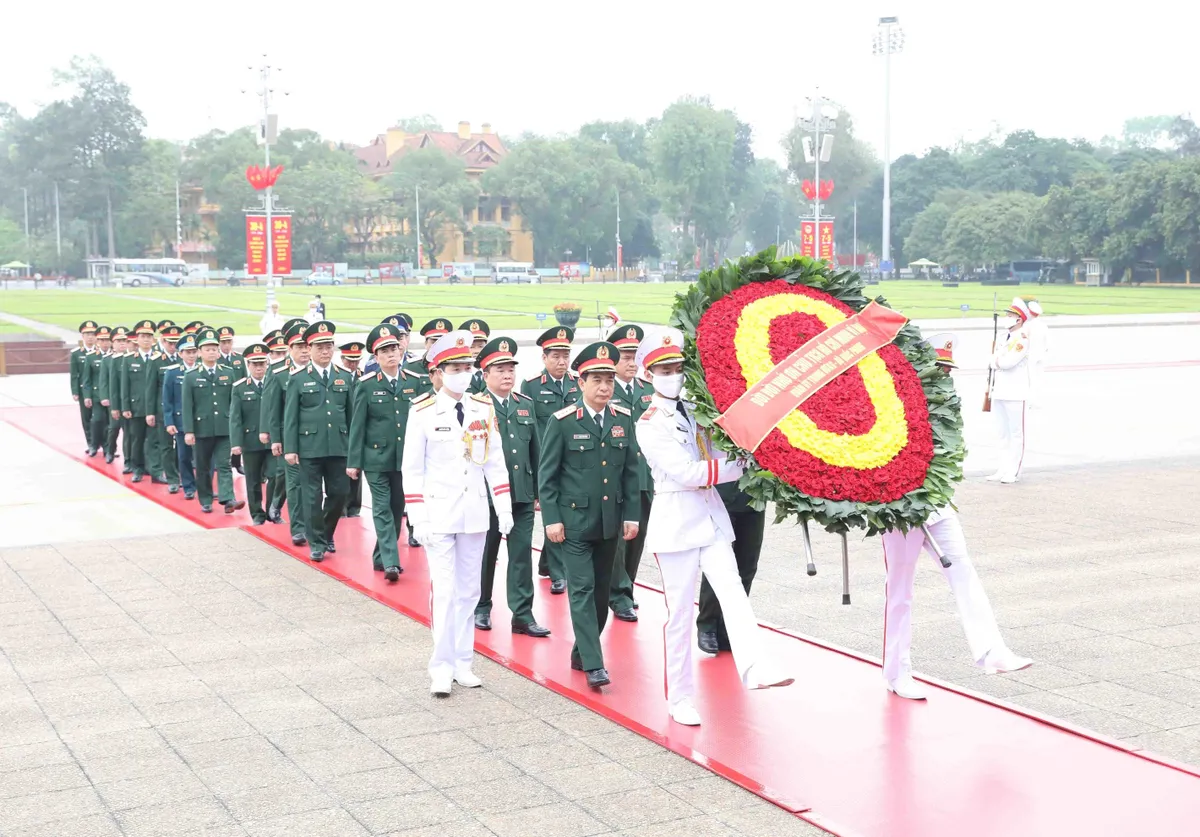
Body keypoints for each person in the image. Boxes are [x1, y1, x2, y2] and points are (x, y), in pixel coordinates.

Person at [635, 328, 792, 725]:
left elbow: (720, 448)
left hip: (709, 517)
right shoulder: (649, 422)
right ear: (648, 375)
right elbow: (687, 471)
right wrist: (739, 465)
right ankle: (680, 698)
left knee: (734, 591)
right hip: (677, 524)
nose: (674, 374)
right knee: (679, 616)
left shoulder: (696, 409)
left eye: (677, 367)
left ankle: (756, 667)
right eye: (664, 369)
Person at [880, 333, 1032, 700]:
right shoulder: (892, 403)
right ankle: (897, 671)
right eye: (939, 368)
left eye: (947, 369)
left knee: (963, 570)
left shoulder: (945, 405)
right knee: (899, 591)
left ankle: (991, 651)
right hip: (900, 511)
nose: (945, 375)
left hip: (937, 504)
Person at [402, 330, 513, 696]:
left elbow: (494, 461)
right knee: (446, 591)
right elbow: (412, 469)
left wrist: (504, 506)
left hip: (475, 513)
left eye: (467, 366)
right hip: (437, 513)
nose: (463, 373)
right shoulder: (422, 412)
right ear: (438, 371)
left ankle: (464, 661)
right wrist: (417, 516)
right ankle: (441, 666)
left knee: (470, 591)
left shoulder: (482, 409)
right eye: (455, 367)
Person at [538, 341, 640, 689]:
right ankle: (596, 664)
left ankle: (583, 651)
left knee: (600, 595)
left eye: (609, 380)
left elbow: (630, 471)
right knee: (581, 589)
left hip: (610, 523)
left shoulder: (622, 420)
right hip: (573, 524)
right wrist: (551, 518)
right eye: (596, 380)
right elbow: (547, 475)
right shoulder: (563, 422)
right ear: (580, 383)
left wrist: (632, 515)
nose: (604, 387)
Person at [473, 336, 551, 638]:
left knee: (521, 555)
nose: (507, 375)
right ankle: (481, 605)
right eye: (500, 369)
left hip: (520, 493)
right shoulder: (475, 407)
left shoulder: (524, 405)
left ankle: (522, 614)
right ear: (485, 374)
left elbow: (536, 452)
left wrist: (538, 492)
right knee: (486, 552)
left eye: (510, 369)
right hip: (487, 496)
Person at [347, 323, 430, 581]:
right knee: (381, 508)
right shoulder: (366, 384)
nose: (391, 354)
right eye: (385, 351)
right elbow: (357, 425)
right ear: (376, 357)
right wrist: (353, 462)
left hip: (405, 459)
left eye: (394, 348)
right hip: (376, 459)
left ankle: (380, 556)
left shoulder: (415, 382)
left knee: (396, 509)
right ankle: (392, 563)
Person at [283, 320, 353, 563]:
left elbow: (351, 415)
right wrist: (290, 448)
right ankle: (317, 543)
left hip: (339, 445)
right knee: (311, 497)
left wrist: (354, 449)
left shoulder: (344, 376)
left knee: (340, 493)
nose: (325, 351)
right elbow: (290, 416)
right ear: (310, 349)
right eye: (319, 347)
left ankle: (325, 532)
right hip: (309, 447)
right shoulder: (298, 378)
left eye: (329, 346)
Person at [521, 326, 580, 593]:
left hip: (576, 459)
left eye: (565, 355)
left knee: (568, 514)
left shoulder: (579, 381)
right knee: (553, 512)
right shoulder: (532, 385)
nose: (561, 361)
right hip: (547, 462)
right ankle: (558, 572)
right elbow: (530, 428)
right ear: (544, 358)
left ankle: (548, 562)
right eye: (555, 356)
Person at [607, 324, 655, 622]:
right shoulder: (601, 390)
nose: (631, 363)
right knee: (617, 540)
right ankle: (618, 592)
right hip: (613, 478)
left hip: (644, 478)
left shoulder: (649, 391)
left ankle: (628, 586)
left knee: (638, 536)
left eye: (634, 356)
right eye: (625, 356)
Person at [696, 482, 766, 656]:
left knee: (747, 565)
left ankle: (729, 629)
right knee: (718, 565)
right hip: (723, 498)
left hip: (755, 497)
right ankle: (708, 625)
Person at [181, 328, 246, 514]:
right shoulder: (191, 376)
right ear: (199, 352)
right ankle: (206, 499)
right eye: (207, 349)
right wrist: (189, 431)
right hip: (202, 428)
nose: (211, 352)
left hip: (224, 427)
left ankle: (228, 499)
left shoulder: (228, 372)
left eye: (214, 348)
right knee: (202, 466)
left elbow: (234, 402)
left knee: (224, 464)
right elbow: (187, 406)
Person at [261, 319, 310, 542]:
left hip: (314, 436)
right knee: (294, 483)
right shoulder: (279, 372)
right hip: (289, 437)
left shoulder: (316, 369)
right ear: (290, 348)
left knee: (312, 485)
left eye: (307, 346)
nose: (304, 351)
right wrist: (275, 438)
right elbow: (272, 407)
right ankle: (298, 528)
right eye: (299, 347)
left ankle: (313, 525)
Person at [988, 298, 1035, 484]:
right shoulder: (1003, 337)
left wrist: (996, 361)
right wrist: (996, 361)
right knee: (1002, 433)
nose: (1006, 318)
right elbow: (992, 360)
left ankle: (1013, 471)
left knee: (1016, 434)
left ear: (1020, 319)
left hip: (1016, 392)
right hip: (999, 390)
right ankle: (1003, 468)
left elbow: (1007, 362)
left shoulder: (1021, 339)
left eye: (1010, 315)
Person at [230, 343, 273, 525]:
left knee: (275, 476)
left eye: (262, 364)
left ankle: (272, 509)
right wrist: (236, 443)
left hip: (272, 441)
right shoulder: (240, 387)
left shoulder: (274, 384)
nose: (259, 368)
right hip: (250, 440)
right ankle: (257, 513)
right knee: (253, 480)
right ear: (248, 365)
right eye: (255, 364)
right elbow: (235, 417)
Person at [120, 320, 161, 483]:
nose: (146, 340)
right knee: (137, 439)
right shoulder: (129, 359)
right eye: (143, 336)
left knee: (154, 440)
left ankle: (155, 469)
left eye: (149, 337)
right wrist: (125, 406)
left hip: (155, 407)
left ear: (153, 339)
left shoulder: (159, 358)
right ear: (137, 339)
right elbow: (125, 385)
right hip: (136, 406)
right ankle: (137, 468)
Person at [163, 334, 200, 500]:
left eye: (193, 351)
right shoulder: (172, 372)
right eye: (187, 352)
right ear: (180, 354)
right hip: (181, 421)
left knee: (203, 457)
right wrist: (169, 421)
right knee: (184, 456)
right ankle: (188, 486)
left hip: (202, 421)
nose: (191, 355)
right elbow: (167, 399)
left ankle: (204, 486)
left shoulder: (203, 369)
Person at [149, 326, 183, 491]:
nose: (173, 346)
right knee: (166, 445)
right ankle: (172, 479)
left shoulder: (183, 359)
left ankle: (180, 473)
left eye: (176, 343)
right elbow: (150, 388)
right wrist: (150, 412)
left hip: (182, 409)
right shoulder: (156, 361)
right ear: (163, 341)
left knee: (183, 445)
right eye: (170, 343)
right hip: (163, 409)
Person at [339, 341, 366, 518]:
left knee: (358, 468)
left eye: (356, 361)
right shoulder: (338, 376)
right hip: (342, 428)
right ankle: (341, 506)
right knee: (341, 470)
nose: (353, 364)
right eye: (349, 361)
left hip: (359, 427)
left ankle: (354, 506)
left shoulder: (363, 377)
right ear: (342, 359)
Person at [99, 326, 130, 464]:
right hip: (115, 399)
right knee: (114, 428)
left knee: (129, 432)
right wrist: (105, 397)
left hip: (129, 399)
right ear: (113, 343)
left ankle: (128, 457)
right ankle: (110, 450)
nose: (122, 343)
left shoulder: (131, 357)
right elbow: (104, 381)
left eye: (124, 340)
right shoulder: (108, 359)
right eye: (118, 341)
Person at [80, 326, 112, 458]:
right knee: (97, 421)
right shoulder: (91, 357)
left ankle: (108, 447)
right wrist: (87, 396)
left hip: (112, 396)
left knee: (111, 425)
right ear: (98, 341)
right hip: (97, 395)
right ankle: (93, 444)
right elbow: (86, 379)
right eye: (102, 340)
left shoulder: (115, 357)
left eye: (107, 340)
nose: (105, 343)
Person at [70, 321, 99, 451]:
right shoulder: (76, 353)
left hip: (99, 390)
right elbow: (74, 374)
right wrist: (75, 391)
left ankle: (104, 444)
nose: (90, 337)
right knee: (87, 418)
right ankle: (91, 444)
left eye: (92, 334)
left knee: (101, 419)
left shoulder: (102, 352)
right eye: (87, 334)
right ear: (82, 336)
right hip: (84, 390)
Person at [458, 319, 491, 393]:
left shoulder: (494, 371)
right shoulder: (457, 373)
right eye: (471, 347)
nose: (477, 351)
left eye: (480, 346)